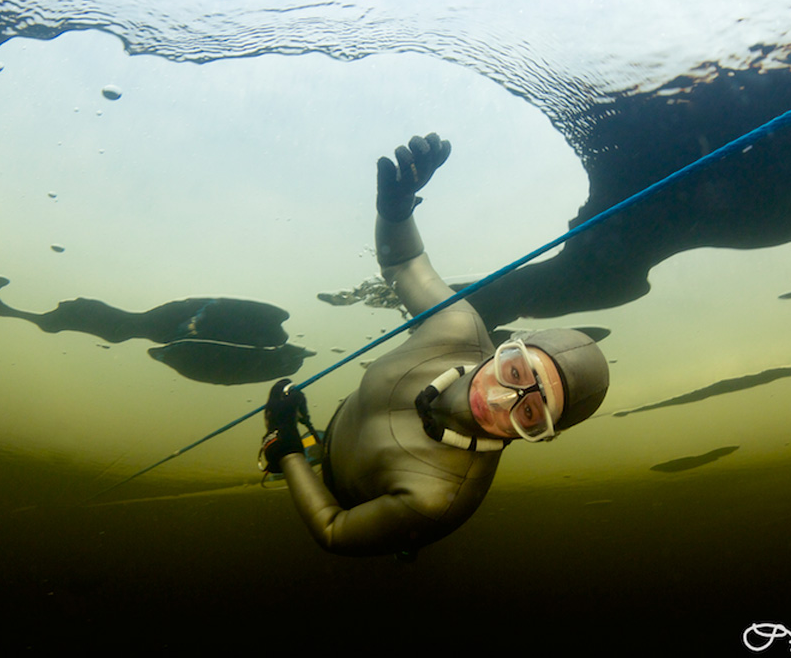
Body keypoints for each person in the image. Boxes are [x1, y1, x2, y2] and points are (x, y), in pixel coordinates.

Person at [259, 133, 610, 558]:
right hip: (341, 430)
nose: (500, 399)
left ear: (537, 435)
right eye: (516, 372)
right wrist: (397, 207)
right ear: (509, 347)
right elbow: (404, 262)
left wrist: (288, 450)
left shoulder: (439, 500)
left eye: (531, 414)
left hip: (348, 494)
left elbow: (333, 530)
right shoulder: (455, 326)